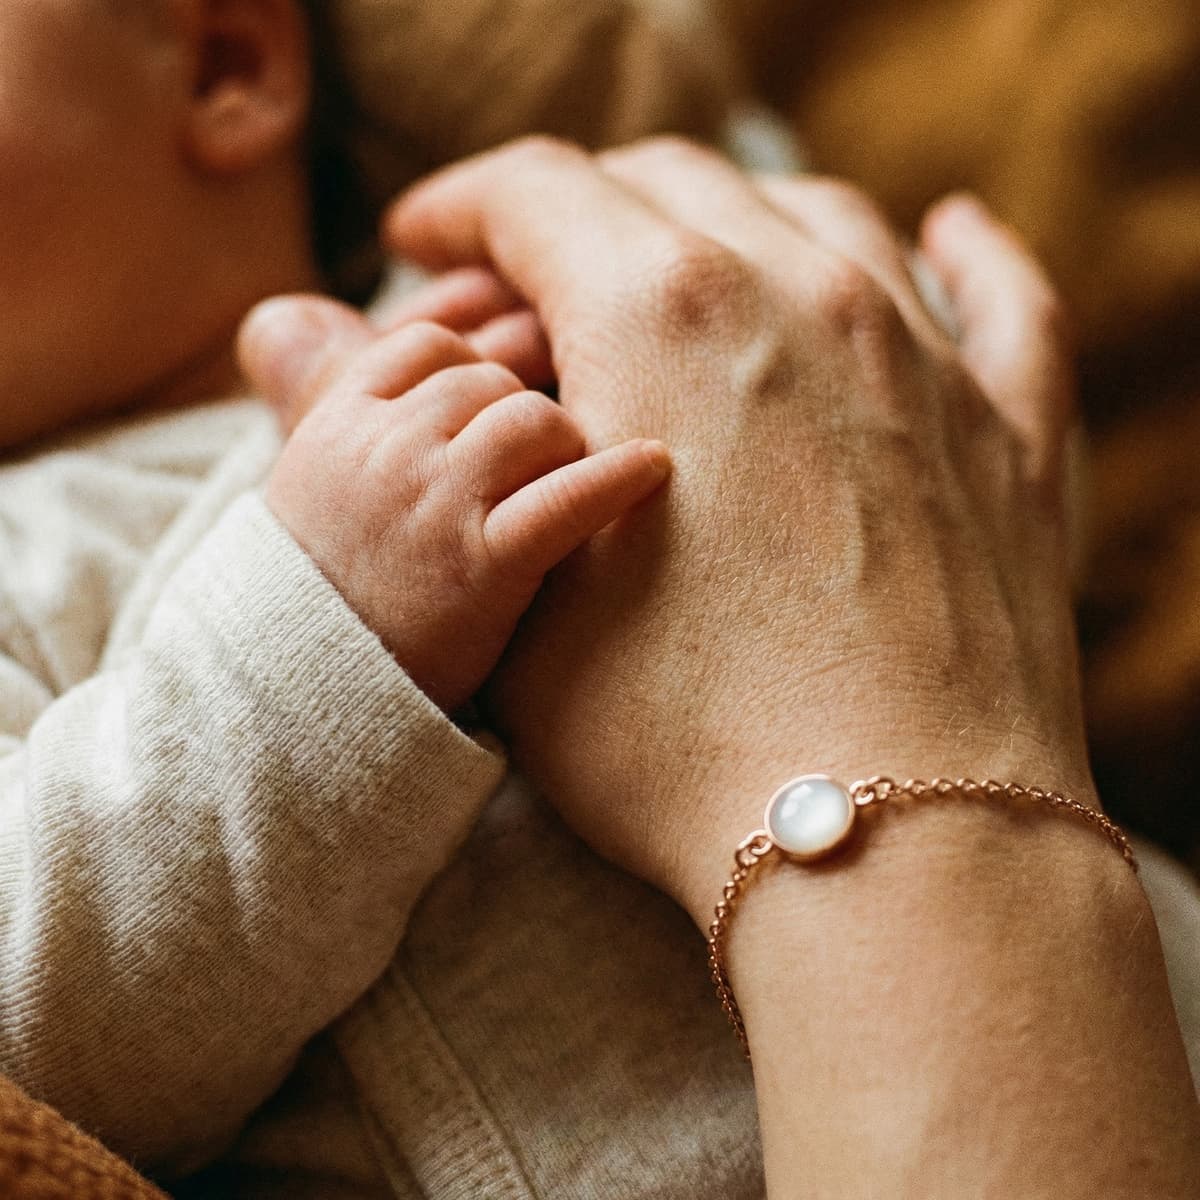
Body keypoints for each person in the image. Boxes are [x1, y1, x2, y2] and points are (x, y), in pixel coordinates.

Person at [2, 6, 1198, 1200]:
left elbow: (956, 517)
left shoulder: (580, 279)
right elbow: (25, 1034)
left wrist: (888, 329)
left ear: (226, 66)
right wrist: (320, 625)